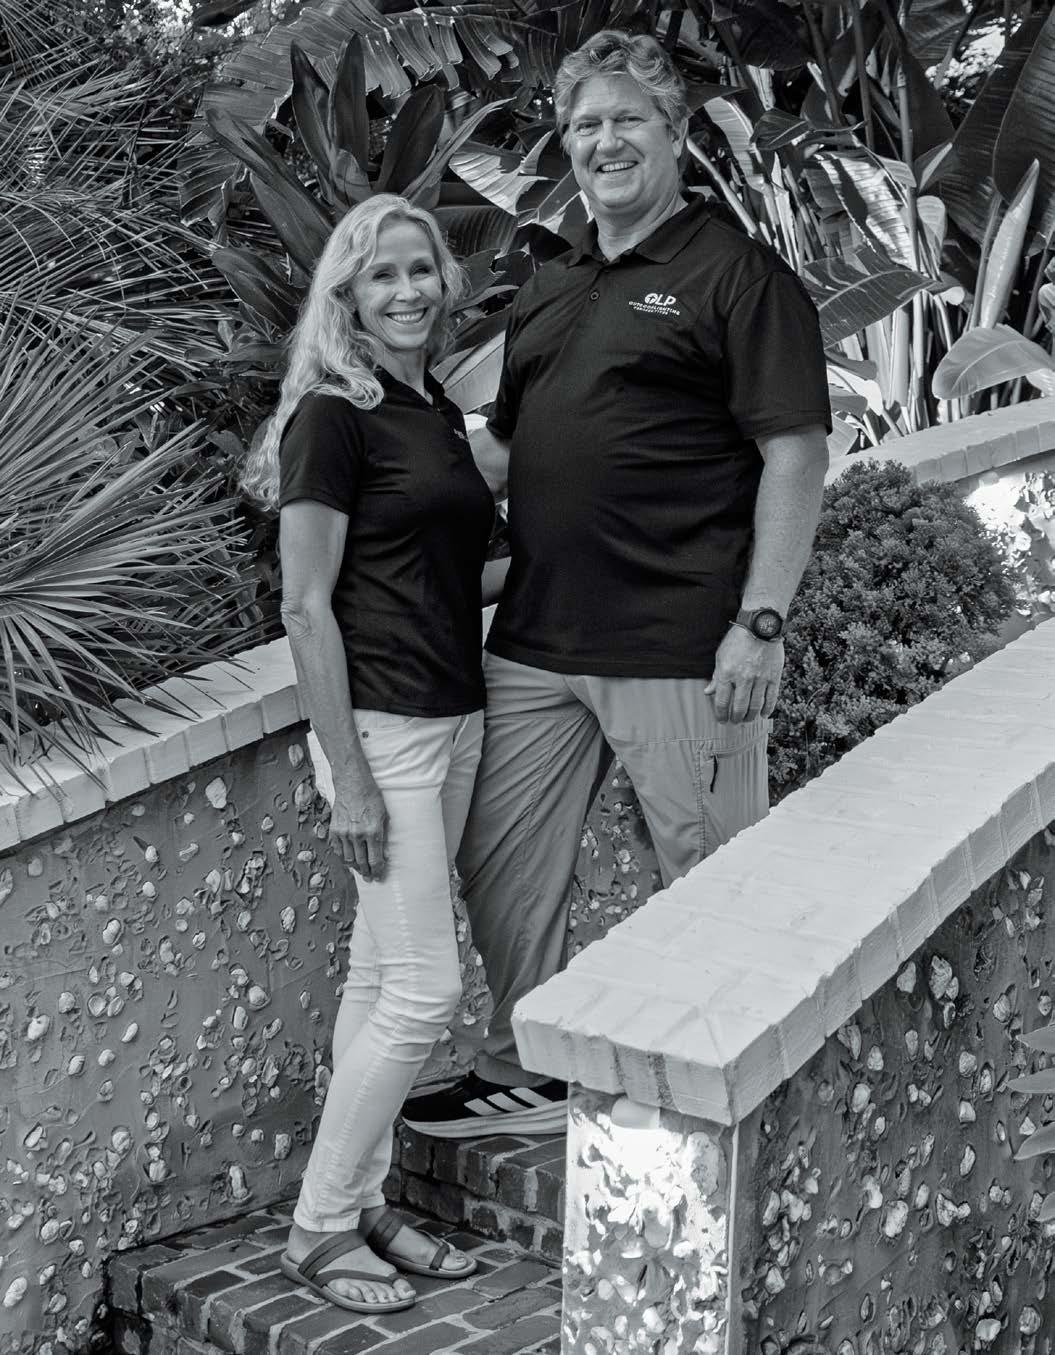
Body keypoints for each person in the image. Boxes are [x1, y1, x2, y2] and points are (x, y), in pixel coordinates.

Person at [402, 30, 832, 1140]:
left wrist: (760, 621)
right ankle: (532, 1066)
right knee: (499, 864)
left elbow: (794, 453)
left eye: (627, 118)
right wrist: (372, 497)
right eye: (584, 123)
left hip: (681, 640)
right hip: (535, 639)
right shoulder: (551, 282)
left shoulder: (736, 276)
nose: (604, 141)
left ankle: (721, 1102)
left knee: (710, 874)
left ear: (674, 132)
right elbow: (505, 450)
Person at [241, 194, 506, 1312]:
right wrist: (345, 771)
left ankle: (361, 1201)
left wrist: (595, 537)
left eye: (420, 270)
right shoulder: (331, 418)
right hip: (383, 734)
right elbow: (305, 605)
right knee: (426, 992)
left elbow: (454, 571)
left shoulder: (431, 406)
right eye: (381, 275)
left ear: (444, 284)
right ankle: (317, 1227)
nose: (406, 290)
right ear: (345, 296)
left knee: (378, 977)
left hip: (455, 715)